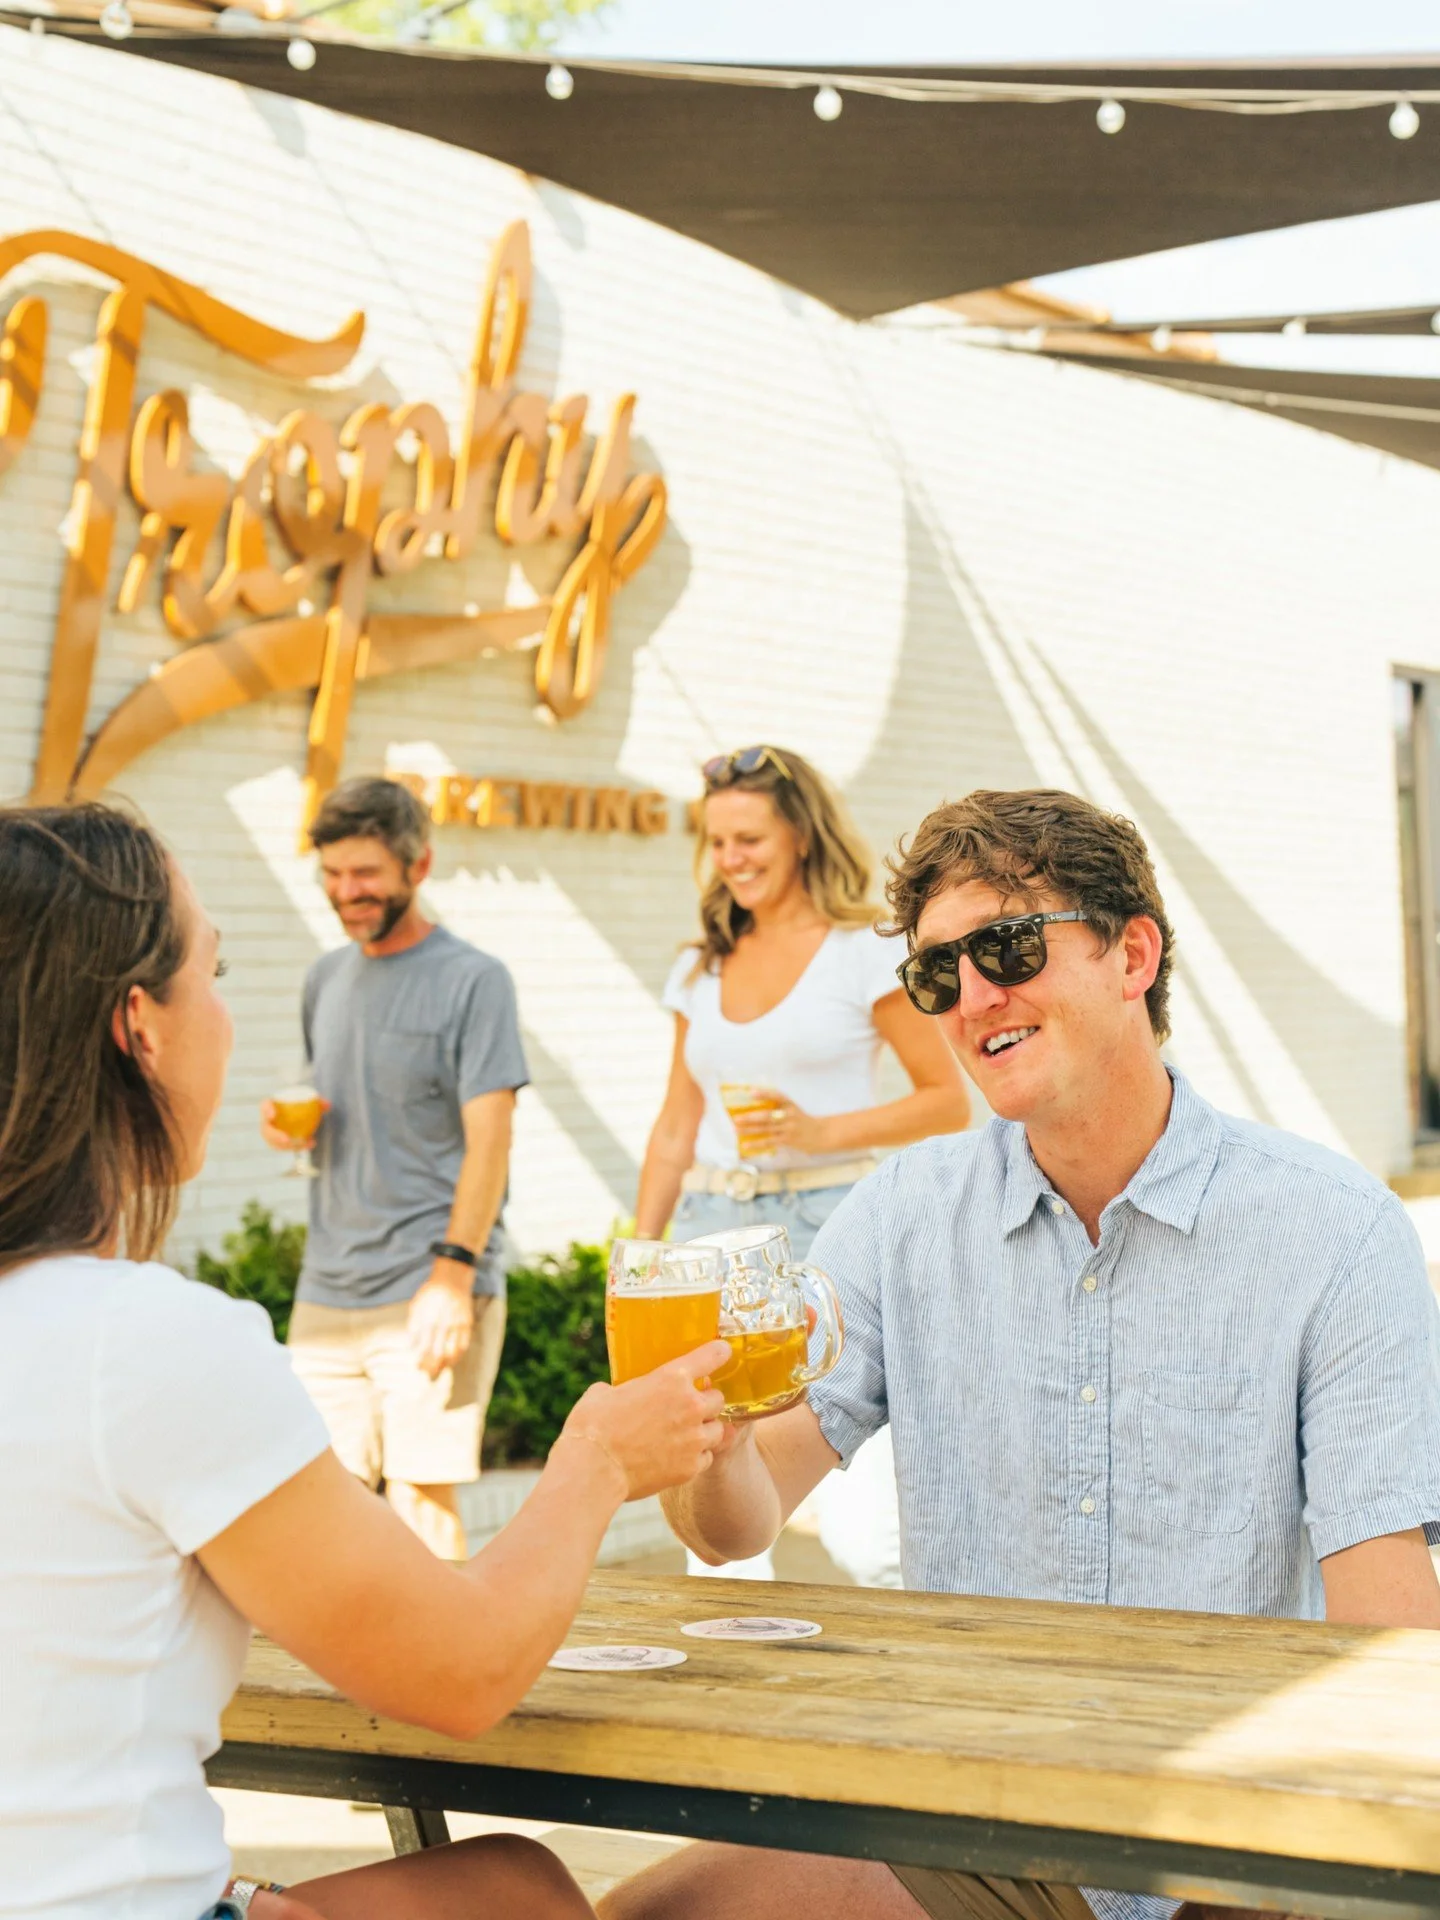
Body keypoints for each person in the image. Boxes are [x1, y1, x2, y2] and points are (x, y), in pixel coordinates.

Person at [606, 787, 1440, 1920]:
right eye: (937, 974)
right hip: (964, 1834)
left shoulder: (1333, 1232)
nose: (972, 997)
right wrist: (711, 1440)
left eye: (1005, 947)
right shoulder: (902, 1218)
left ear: (1132, 953)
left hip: (1231, 1854)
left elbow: (1391, 1637)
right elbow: (740, 1525)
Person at [0, 800, 731, 1920]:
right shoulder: (143, 1344)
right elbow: (463, 1675)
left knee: (502, 1881)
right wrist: (599, 1456)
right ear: (137, 1026)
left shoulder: (466, 978)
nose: (229, 1018)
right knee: (524, 1894)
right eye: (217, 972)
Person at [634, 744, 971, 1582]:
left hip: (827, 1226)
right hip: (709, 1235)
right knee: (710, 1480)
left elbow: (946, 1100)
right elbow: (677, 1124)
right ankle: (728, 1685)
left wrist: (821, 1134)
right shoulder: (700, 964)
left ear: (802, 838)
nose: (731, 860)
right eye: (717, 843)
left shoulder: (860, 951)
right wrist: (641, 1254)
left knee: (852, 1494)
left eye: (749, 839)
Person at [260, 777, 525, 1561]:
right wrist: (296, 1131)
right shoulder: (324, 978)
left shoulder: (474, 980)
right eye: (334, 875)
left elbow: (491, 1142)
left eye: (366, 874)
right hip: (328, 1286)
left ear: (420, 865)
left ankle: (449, 1672)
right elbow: (351, 1108)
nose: (348, 892)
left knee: (419, 1496)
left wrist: (452, 1276)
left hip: (428, 1286)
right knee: (325, 1501)